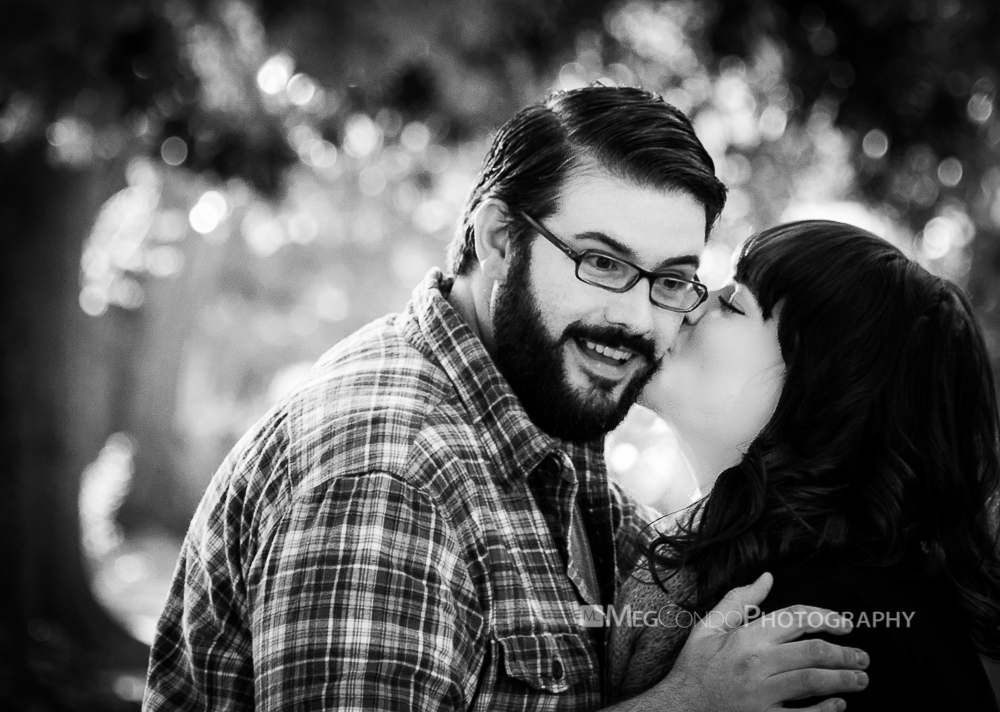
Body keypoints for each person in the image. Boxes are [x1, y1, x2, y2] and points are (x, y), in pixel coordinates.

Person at [143, 88, 870, 711]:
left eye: (670, 281)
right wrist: (682, 706)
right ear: (498, 240)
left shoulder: (545, 419)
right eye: (603, 262)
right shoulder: (392, 481)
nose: (639, 320)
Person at [611, 220, 1000, 709]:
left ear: (819, 392)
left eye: (732, 304)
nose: (688, 307)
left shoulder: (810, 631)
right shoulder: (785, 582)